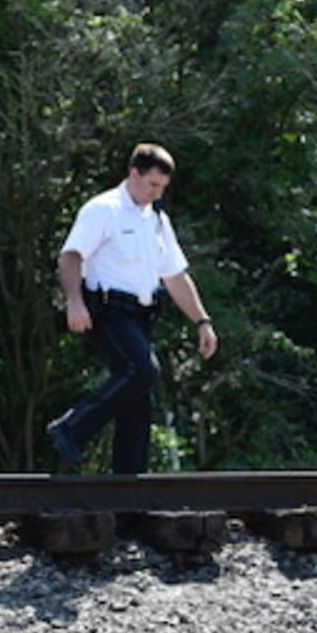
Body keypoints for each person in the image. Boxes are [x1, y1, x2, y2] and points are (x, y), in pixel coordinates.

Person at [46, 143, 218, 473]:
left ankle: (128, 481)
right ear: (133, 173)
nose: (157, 193)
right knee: (142, 370)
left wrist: (202, 321)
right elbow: (70, 257)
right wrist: (74, 302)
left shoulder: (156, 220)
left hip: (141, 315)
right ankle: (71, 427)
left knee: (138, 396)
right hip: (107, 310)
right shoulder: (103, 209)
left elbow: (175, 276)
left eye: (162, 188)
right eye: (152, 184)